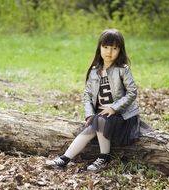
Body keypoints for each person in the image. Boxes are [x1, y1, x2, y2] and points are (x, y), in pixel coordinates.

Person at [46, 28, 150, 171]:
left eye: (114, 48)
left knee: (100, 120)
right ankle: (64, 159)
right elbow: (87, 95)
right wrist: (89, 113)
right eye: (105, 47)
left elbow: (132, 92)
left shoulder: (122, 69)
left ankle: (104, 157)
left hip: (121, 116)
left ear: (120, 50)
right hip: (100, 115)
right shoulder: (95, 70)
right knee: (93, 124)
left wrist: (114, 108)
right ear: (99, 48)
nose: (109, 52)